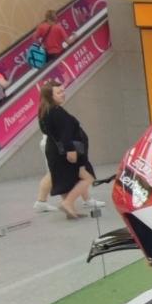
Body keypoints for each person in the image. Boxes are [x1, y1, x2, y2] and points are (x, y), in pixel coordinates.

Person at [37, 80, 96, 219]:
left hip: (56, 150)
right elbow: (65, 134)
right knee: (87, 177)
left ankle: (70, 210)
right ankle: (68, 202)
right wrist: (71, 151)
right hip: (65, 151)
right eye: (59, 92)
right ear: (50, 96)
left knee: (65, 180)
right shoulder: (56, 112)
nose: (63, 94)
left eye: (63, 91)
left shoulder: (46, 111)